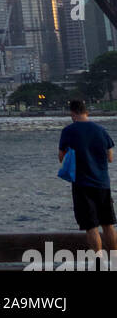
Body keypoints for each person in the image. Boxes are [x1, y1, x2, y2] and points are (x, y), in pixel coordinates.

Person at [58, 99, 116, 257]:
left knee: (91, 226)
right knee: (108, 225)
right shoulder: (101, 130)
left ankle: (99, 262)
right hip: (103, 184)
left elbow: (61, 158)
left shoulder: (69, 131)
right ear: (86, 112)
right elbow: (110, 157)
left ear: (72, 113)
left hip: (82, 185)